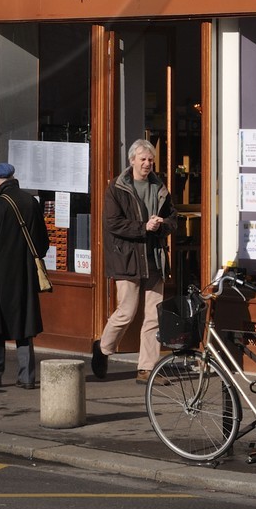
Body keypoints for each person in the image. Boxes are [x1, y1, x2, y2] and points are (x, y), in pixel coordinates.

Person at [91, 138, 177, 384]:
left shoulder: (159, 186)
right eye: (143, 159)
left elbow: (173, 216)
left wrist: (163, 225)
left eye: (150, 159)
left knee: (153, 315)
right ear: (132, 161)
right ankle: (103, 347)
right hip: (126, 258)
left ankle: (146, 369)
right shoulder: (117, 188)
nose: (148, 164)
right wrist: (143, 227)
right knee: (126, 312)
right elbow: (112, 223)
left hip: (154, 258)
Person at [0, 161, 50, 390]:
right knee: (24, 325)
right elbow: (43, 243)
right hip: (25, 275)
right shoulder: (31, 202)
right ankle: (27, 377)